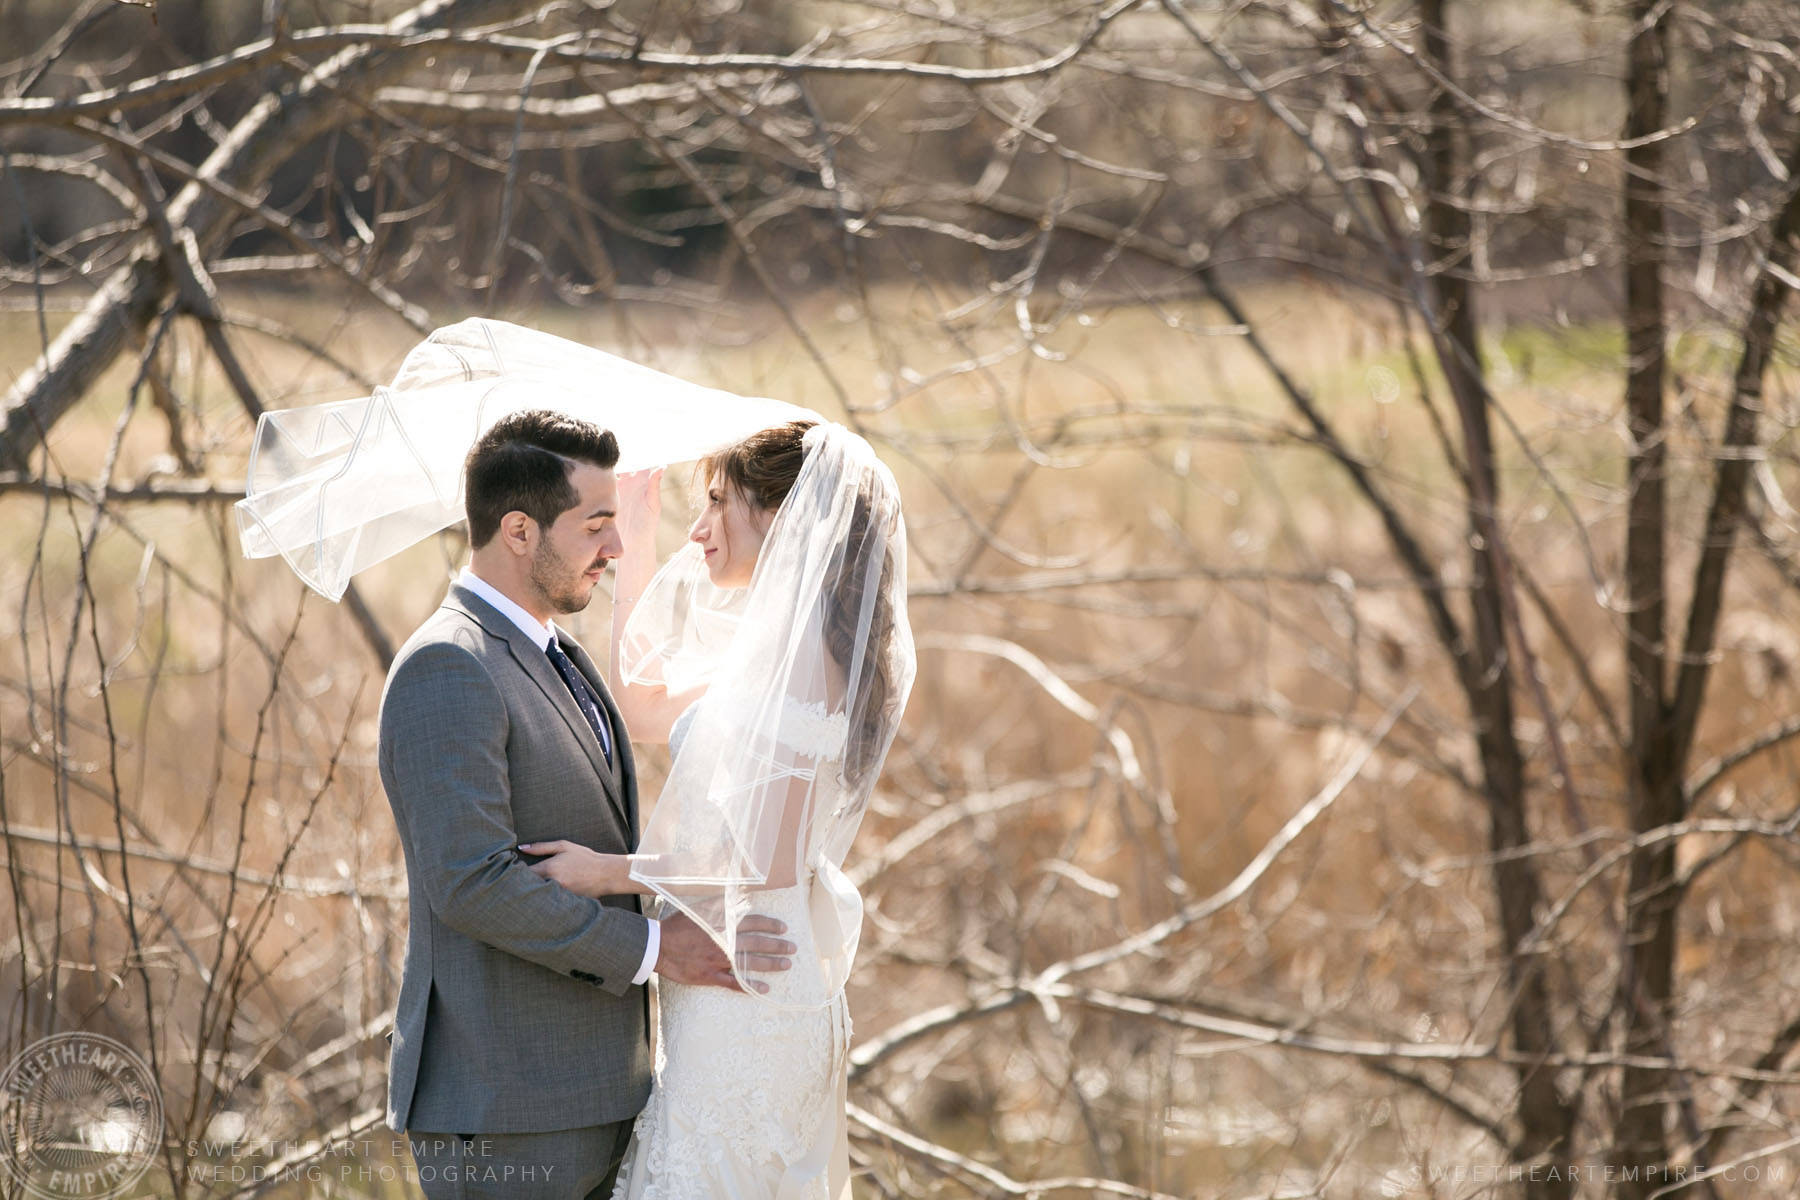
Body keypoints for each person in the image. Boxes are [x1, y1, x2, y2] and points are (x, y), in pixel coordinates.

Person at [377, 410, 797, 1200]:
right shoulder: (447, 665)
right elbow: (471, 882)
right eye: (596, 525)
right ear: (519, 531)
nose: (616, 547)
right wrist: (651, 949)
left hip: (603, 1093)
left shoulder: (557, 651)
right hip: (508, 1105)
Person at [519, 420, 916, 1199]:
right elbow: (642, 708)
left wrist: (607, 873)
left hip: (754, 997)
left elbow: (764, 861)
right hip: (729, 986)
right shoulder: (774, 651)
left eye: (716, 503)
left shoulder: (806, 666)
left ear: (781, 516)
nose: (697, 530)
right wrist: (629, 543)